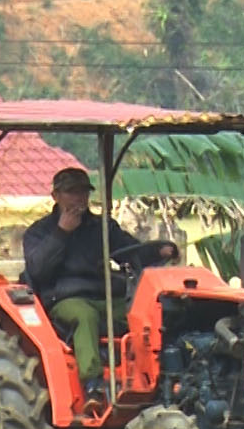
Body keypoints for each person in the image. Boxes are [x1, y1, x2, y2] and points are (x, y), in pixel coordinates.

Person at [22, 167, 177, 393]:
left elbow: (129, 250)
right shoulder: (39, 232)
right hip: (64, 297)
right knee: (85, 316)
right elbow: (37, 270)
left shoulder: (101, 227)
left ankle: (158, 376)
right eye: (71, 192)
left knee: (147, 312)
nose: (78, 198)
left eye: (83, 192)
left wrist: (158, 251)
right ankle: (92, 383)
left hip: (103, 294)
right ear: (55, 196)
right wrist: (62, 232)